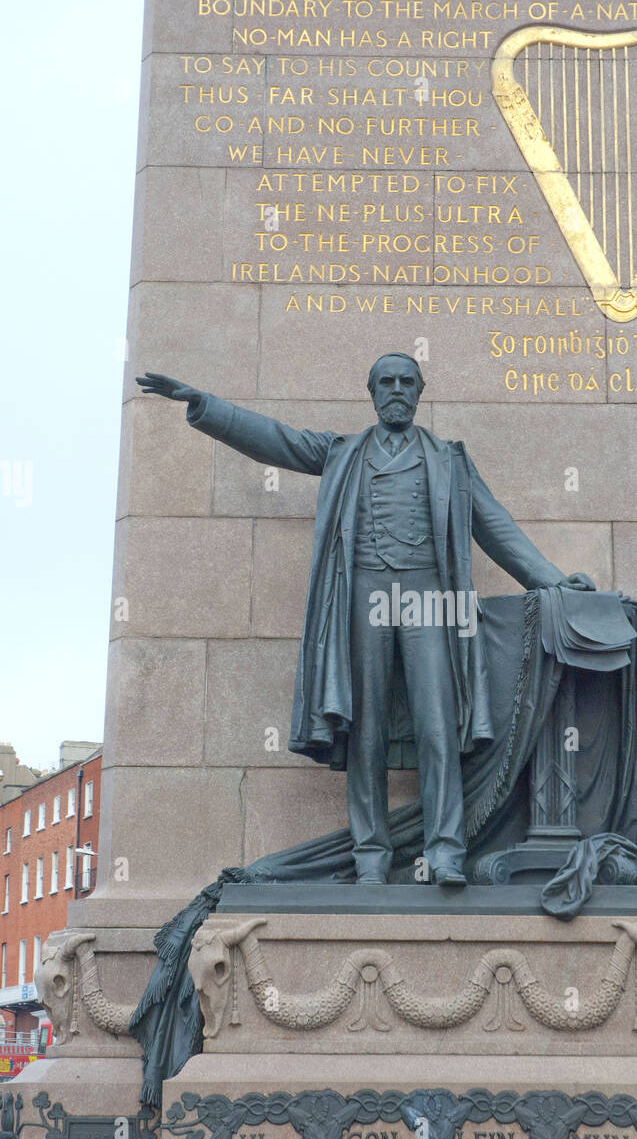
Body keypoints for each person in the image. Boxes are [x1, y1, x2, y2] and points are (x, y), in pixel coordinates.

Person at [136, 354, 594, 886]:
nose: (396, 390)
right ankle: (370, 857)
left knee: (437, 724)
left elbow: (495, 527)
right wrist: (206, 407)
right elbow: (276, 440)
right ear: (372, 393)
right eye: (386, 382)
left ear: (420, 392)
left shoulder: (449, 459)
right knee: (366, 728)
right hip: (364, 597)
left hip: (429, 598)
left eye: (406, 382)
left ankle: (446, 850)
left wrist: (551, 581)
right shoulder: (342, 453)